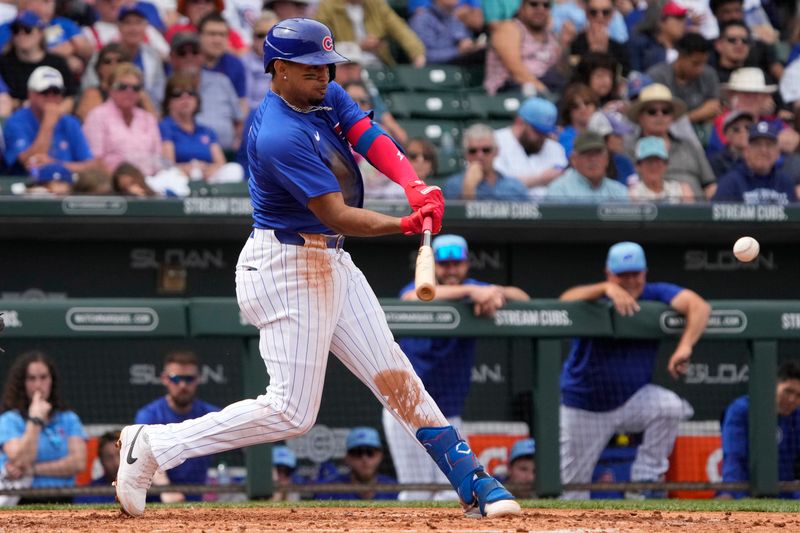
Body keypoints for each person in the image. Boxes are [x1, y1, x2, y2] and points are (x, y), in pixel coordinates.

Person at [114, 18, 520, 519]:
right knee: (291, 412)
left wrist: (413, 182)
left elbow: (365, 133)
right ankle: (153, 445)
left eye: (327, 65)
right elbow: (337, 214)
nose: (323, 75)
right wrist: (406, 222)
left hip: (327, 259)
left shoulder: (322, 94)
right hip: (286, 265)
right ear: (278, 69)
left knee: (392, 370)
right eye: (310, 68)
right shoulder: (279, 134)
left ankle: (471, 479)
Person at [383, 234, 530, 500]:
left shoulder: (476, 287)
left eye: (456, 264)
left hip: (447, 412)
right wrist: (472, 292)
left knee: (454, 492)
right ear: (433, 266)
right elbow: (410, 297)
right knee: (416, 493)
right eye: (444, 264)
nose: (451, 270)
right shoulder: (425, 287)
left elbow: (523, 298)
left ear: (466, 264)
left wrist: (494, 291)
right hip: (406, 407)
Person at [559, 241, 710, 499]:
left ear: (645, 272)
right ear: (609, 273)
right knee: (572, 492)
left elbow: (699, 306)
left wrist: (685, 346)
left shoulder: (655, 293)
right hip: (585, 406)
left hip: (631, 398)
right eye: (622, 275)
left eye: (635, 274)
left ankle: (644, 480)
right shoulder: (596, 297)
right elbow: (565, 300)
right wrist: (605, 289)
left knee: (670, 406)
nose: (630, 281)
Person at [0, 350, 88, 505]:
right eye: (31, 379)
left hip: (64, 499)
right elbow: (21, 461)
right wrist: (35, 419)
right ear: (22, 383)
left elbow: (78, 462)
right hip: (22, 499)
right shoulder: (9, 420)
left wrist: (33, 470)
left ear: (52, 380)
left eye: (43, 377)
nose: (38, 385)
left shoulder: (68, 418)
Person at [133, 350, 220, 501]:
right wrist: (166, 489)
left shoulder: (210, 414)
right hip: (156, 501)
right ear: (164, 379)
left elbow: (244, 440)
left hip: (196, 500)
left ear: (198, 379)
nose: (183, 385)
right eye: (176, 378)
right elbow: (146, 456)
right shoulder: (149, 414)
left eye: (189, 379)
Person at [719, 360, 800, 499]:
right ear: (772, 386)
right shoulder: (742, 409)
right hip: (745, 488)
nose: (792, 399)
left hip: (788, 492)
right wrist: (738, 493)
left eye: (799, 396)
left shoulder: (797, 414)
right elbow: (734, 458)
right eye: (788, 391)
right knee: (725, 499)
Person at [625, 83, 715, 199]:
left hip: (694, 211)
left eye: (665, 111)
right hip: (647, 211)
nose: (660, 115)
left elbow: (710, 185)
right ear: (640, 117)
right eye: (652, 111)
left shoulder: (689, 146)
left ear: (672, 117)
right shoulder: (629, 149)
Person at [3, 66, 96, 177]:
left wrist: (56, 165)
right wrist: (48, 123)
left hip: (68, 186)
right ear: (30, 94)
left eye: (56, 92)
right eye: (44, 92)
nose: (50, 97)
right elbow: (30, 162)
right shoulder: (16, 122)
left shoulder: (70, 122)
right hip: (27, 186)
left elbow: (90, 166)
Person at [160, 72, 244, 183]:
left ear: (197, 99)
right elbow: (168, 164)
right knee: (169, 175)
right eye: (178, 94)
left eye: (190, 93)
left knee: (234, 169)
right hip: (180, 178)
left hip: (208, 177)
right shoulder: (165, 126)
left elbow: (221, 163)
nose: (185, 98)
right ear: (168, 101)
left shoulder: (206, 131)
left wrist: (206, 169)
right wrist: (190, 168)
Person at [82, 62, 163, 177]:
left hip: (148, 184)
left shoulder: (148, 118)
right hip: (111, 185)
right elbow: (96, 160)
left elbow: (157, 158)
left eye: (135, 88)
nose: (129, 92)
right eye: (122, 87)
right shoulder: (97, 116)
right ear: (110, 89)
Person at [169, 31, 243, 151]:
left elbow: (238, 121)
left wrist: (237, 142)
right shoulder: (167, 85)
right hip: (182, 157)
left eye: (195, 52)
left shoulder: (221, 81)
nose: (189, 57)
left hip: (227, 155)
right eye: (182, 53)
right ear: (172, 58)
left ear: (202, 56)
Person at [483, 0, 566, 96]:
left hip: (546, 84)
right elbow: (517, 72)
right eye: (534, 4)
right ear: (521, 7)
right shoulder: (509, 29)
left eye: (546, 5)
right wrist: (546, 94)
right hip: (509, 90)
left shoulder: (551, 35)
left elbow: (561, 70)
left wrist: (564, 44)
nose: (540, 9)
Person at [493, 96, 568, 199]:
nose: (543, 136)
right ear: (520, 122)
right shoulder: (494, 142)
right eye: (538, 131)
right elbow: (496, 187)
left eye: (546, 132)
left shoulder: (555, 148)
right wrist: (540, 179)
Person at [315, 0, 426, 67]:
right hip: (345, 66)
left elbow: (400, 29)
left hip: (378, 65)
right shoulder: (328, 6)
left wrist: (417, 53)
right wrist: (358, 47)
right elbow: (320, 44)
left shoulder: (376, 4)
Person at [0, 11, 77, 107]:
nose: (21, 34)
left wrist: (53, 115)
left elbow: (69, 98)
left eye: (27, 30)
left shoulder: (57, 62)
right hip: (15, 118)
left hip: (54, 113)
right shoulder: (4, 63)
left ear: (40, 33)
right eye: (16, 30)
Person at [712, 121, 798, 205]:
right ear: (746, 151)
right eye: (757, 145)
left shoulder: (785, 183)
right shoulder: (730, 183)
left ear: (777, 153)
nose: (763, 150)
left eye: (769, 145)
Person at [646, 33, 721, 127]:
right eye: (696, 64)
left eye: (704, 63)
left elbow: (713, 106)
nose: (700, 69)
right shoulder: (658, 76)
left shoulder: (709, 74)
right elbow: (659, 116)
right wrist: (695, 116)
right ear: (681, 57)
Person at [443, 123, 529, 200]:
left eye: (486, 150)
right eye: (473, 151)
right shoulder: (453, 185)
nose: (480, 155)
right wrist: (468, 188)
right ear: (466, 154)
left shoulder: (515, 187)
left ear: (496, 151)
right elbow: (455, 216)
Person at [546, 130, 629, 202]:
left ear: (607, 159)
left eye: (597, 153)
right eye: (586, 153)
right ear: (574, 160)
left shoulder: (619, 191)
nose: (593, 159)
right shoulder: (560, 190)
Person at [317, 427, 398, 500]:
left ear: (380, 456)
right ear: (347, 458)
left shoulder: (396, 490)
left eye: (370, 452)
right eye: (357, 452)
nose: (364, 458)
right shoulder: (329, 492)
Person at [409, 0, 485, 65]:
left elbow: (464, 42)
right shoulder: (422, 20)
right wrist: (458, 52)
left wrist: (473, 47)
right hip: (433, 75)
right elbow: (424, 56)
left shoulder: (456, 18)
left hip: (460, 72)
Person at [569, 0, 630, 76]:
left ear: (612, 15)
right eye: (593, 12)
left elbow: (623, 76)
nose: (600, 17)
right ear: (586, 14)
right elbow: (571, 75)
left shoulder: (619, 48)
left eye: (605, 12)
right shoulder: (574, 43)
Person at [629, 136, 693, 203]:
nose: (653, 166)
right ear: (638, 166)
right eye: (649, 161)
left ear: (665, 165)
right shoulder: (633, 194)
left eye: (657, 161)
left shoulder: (681, 190)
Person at [628, 1, 687, 74]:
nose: (683, 24)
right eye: (678, 19)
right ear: (661, 22)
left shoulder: (685, 49)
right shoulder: (643, 48)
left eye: (683, 19)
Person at [243, 11, 278, 112]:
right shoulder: (245, 61)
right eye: (260, 35)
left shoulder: (289, 61)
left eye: (271, 35)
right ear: (252, 37)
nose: (265, 40)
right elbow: (246, 102)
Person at [74, 430, 120, 504]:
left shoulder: (144, 489)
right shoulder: (87, 494)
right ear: (101, 461)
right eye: (109, 458)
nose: (116, 463)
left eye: (120, 455)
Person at [558, 83, 599, 157]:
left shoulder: (604, 130)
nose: (583, 108)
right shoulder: (565, 136)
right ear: (569, 112)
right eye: (575, 106)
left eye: (587, 102)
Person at [709, 110, 754, 178]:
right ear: (726, 135)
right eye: (736, 129)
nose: (743, 132)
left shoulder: (759, 157)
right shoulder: (717, 161)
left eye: (748, 128)